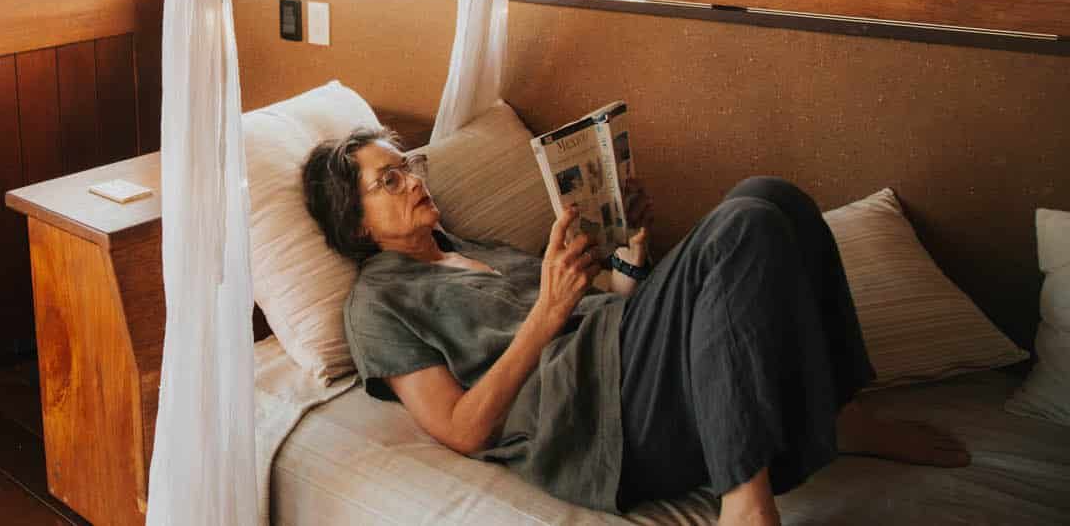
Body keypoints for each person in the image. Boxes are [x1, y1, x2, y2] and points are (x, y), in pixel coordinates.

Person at [301, 127, 969, 526]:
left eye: (409, 165)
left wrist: (624, 257)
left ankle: (837, 411)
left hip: (624, 351)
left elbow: (594, 306)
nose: (412, 180)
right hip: (600, 420)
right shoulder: (376, 304)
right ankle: (743, 499)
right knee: (746, 226)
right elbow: (462, 428)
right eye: (389, 178)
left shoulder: (469, 243)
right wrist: (546, 313)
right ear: (358, 224)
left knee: (773, 196)